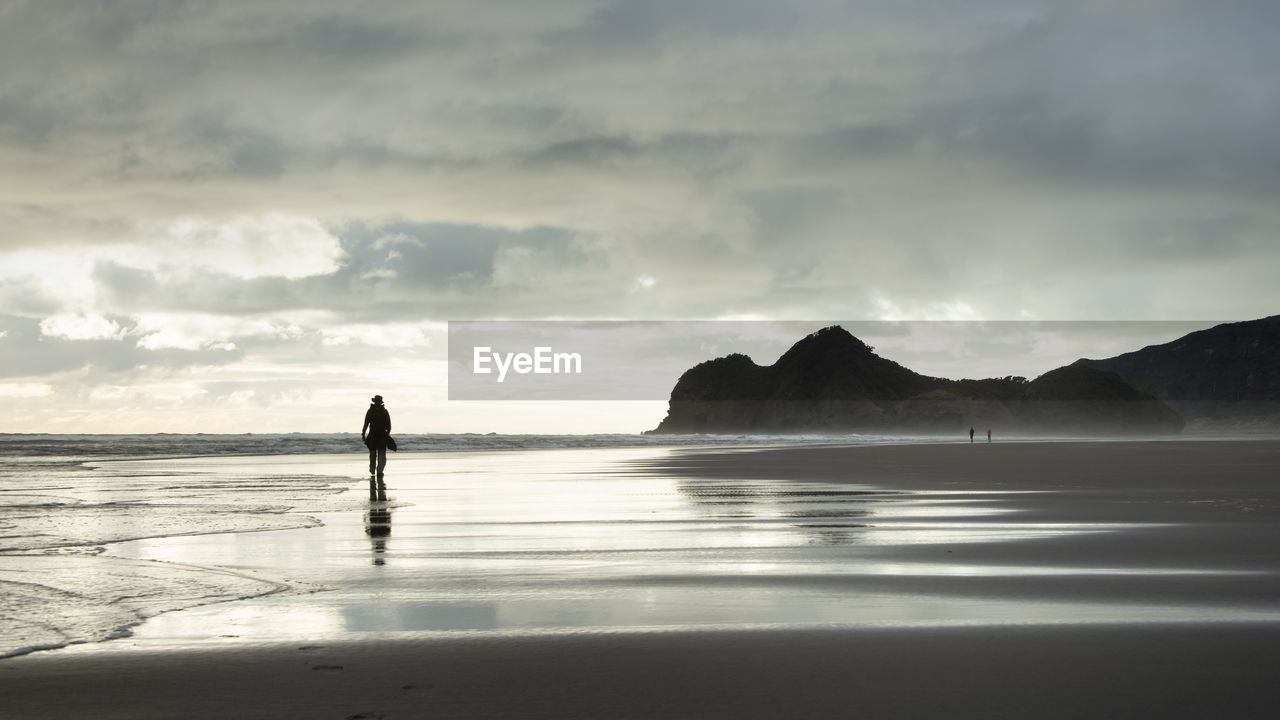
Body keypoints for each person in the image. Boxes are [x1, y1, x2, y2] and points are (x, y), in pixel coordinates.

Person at [362, 395, 392, 480]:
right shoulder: (384, 411)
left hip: (374, 435)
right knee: (380, 455)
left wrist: (363, 434)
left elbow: (366, 424)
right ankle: (378, 471)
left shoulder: (371, 411)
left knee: (373, 454)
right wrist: (387, 434)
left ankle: (374, 470)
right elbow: (389, 426)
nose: (377, 403)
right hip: (380, 435)